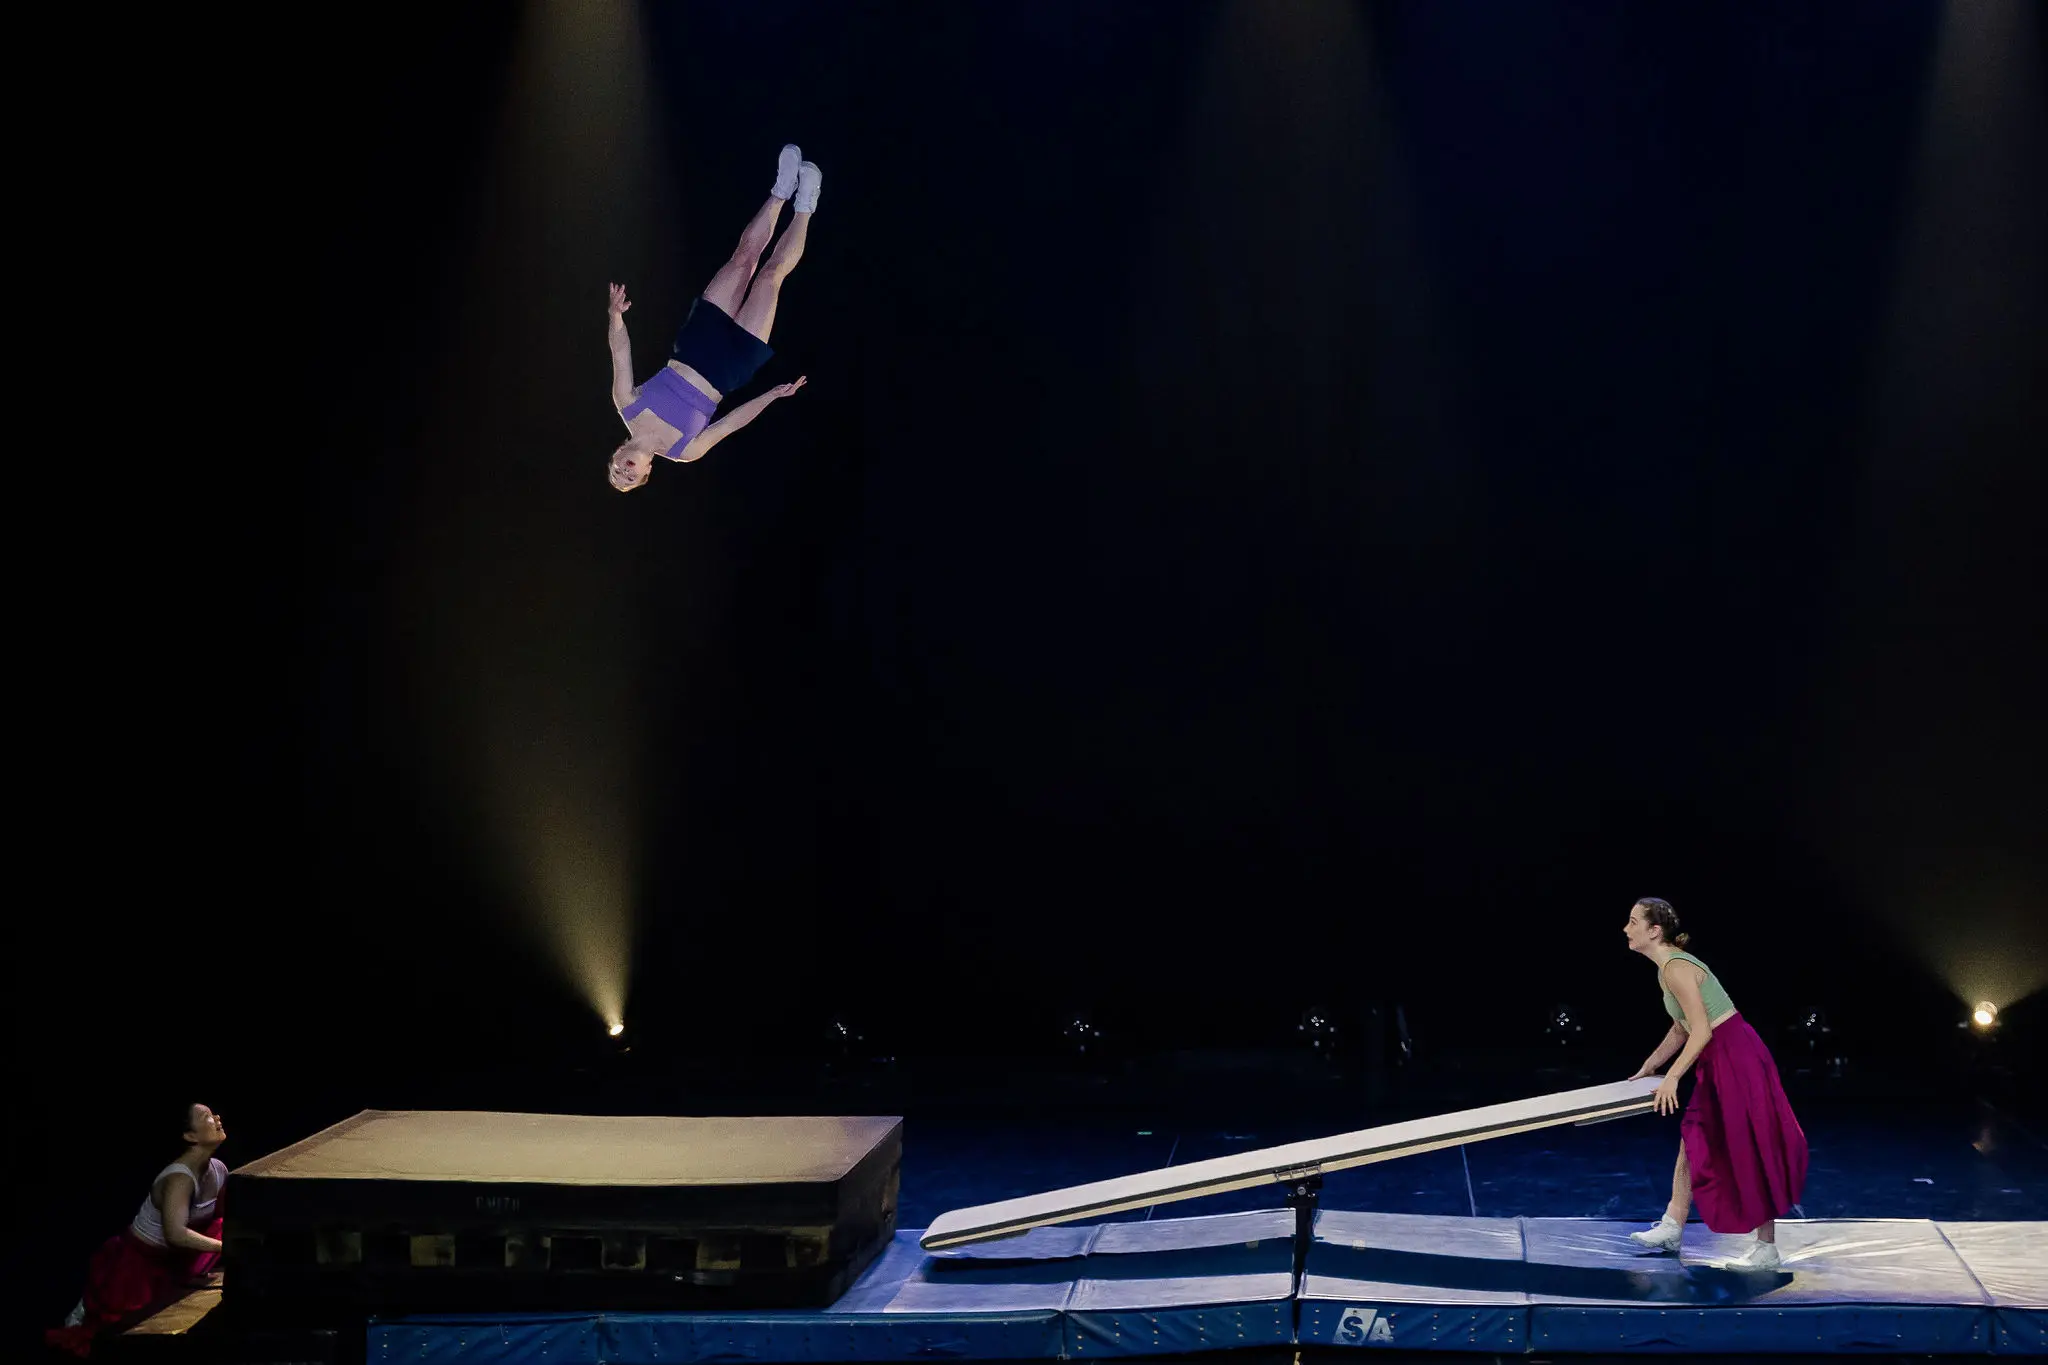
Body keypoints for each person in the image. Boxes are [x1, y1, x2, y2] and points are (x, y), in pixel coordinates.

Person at [606, 143, 820, 491]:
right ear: (647, 472)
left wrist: (615, 316)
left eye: (617, 472)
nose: (624, 473)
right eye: (631, 480)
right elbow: (731, 423)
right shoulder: (685, 452)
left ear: (617, 455)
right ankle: (806, 205)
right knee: (770, 276)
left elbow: (619, 353)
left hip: (695, 345)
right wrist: (771, 397)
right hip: (731, 367)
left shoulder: (625, 404)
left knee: (744, 259)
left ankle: (781, 191)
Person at [1623, 898, 1808, 1270]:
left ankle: (1767, 1246)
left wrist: (1673, 1077)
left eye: (1632, 922)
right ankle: (1673, 1224)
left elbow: (1703, 1029)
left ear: (1653, 931)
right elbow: (1682, 1027)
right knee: (1694, 1135)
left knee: (1747, 1142)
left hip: (1735, 1055)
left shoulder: (1676, 967)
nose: (1626, 929)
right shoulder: (1666, 969)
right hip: (1720, 1056)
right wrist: (1651, 1065)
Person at [46, 1103, 229, 1358]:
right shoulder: (179, 1178)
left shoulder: (219, 1169)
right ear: (190, 1136)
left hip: (176, 1259)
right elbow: (175, 1234)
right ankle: (84, 1312)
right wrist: (224, 1247)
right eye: (206, 1116)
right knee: (122, 1336)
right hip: (140, 1263)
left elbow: (220, 1219)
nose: (217, 1117)